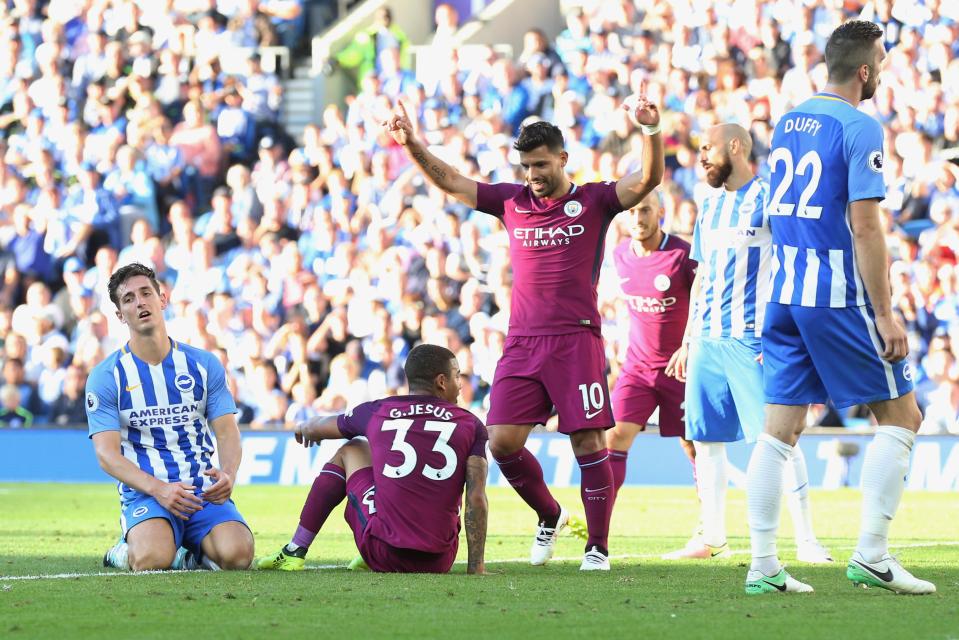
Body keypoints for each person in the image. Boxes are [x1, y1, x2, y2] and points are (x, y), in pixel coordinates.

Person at [385, 95, 664, 570]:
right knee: (502, 443)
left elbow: (647, 180)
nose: (532, 175)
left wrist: (650, 133)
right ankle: (549, 514)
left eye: (539, 165)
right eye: (525, 166)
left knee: (589, 444)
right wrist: (412, 144)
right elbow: (451, 181)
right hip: (522, 343)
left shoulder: (594, 200)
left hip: (575, 340)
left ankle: (597, 548)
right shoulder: (511, 202)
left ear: (562, 159)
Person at [744, 21, 934, 595]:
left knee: (779, 430)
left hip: (785, 292)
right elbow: (866, 226)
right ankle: (873, 556)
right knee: (902, 418)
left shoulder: (788, 120)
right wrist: (885, 312)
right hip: (835, 296)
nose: (883, 68)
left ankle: (763, 566)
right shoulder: (860, 126)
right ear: (866, 71)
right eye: (881, 59)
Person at [664, 123, 832, 564]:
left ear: (735, 147)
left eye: (707, 148)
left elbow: (795, 263)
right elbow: (702, 276)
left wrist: (784, 333)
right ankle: (713, 536)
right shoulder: (709, 204)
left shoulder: (771, 198)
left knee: (778, 440)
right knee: (706, 441)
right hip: (707, 341)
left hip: (753, 338)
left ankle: (807, 540)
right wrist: (687, 339)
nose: (700, 157)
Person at [256, 344, 488, 574]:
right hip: (439, 562)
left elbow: (320, 426)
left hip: (383, 552)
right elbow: (476, 498)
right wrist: (475, 567)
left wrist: (305, 427)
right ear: (441, 381)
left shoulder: (380, 410)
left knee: (352, 449)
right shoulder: (471, 424)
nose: (460, 385)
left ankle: (294, 551)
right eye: (457, 376)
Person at [88, 263, 254, 572]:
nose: (140, 303)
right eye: (128, 299)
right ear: (120, 315)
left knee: (238, 556)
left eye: (146, 293)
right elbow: (106, 454)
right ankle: (124, 552)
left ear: (162, 299)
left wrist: (229, 473)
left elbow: (228, 432)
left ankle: (187, 556)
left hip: (200, 490)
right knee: (152, 559)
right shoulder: (107, 376)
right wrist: (159, 489)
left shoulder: (204, 364)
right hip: (147, 494)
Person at [605, 190, 697, 501]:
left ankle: (709, 523)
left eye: (645, 211)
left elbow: (703, 306)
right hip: (638, 369)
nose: (638, 218)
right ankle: (600, 519)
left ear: (660, 212)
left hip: (681, 369)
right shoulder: (619, 256)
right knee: (614, 437)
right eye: (631, 212)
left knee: (693, 444)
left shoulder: (683, 256)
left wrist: (689, 346)